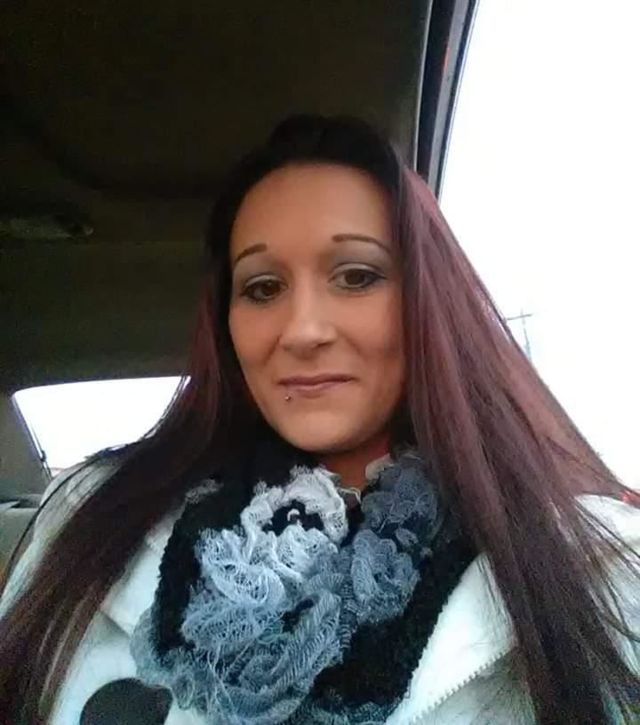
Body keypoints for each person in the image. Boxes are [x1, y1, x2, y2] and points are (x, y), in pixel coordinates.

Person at [1, 115, 639, 725]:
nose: (302, 330)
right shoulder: (90, 515)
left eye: (357, 276)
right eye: (262, 288)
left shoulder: (598, 565)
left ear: (426, 303)